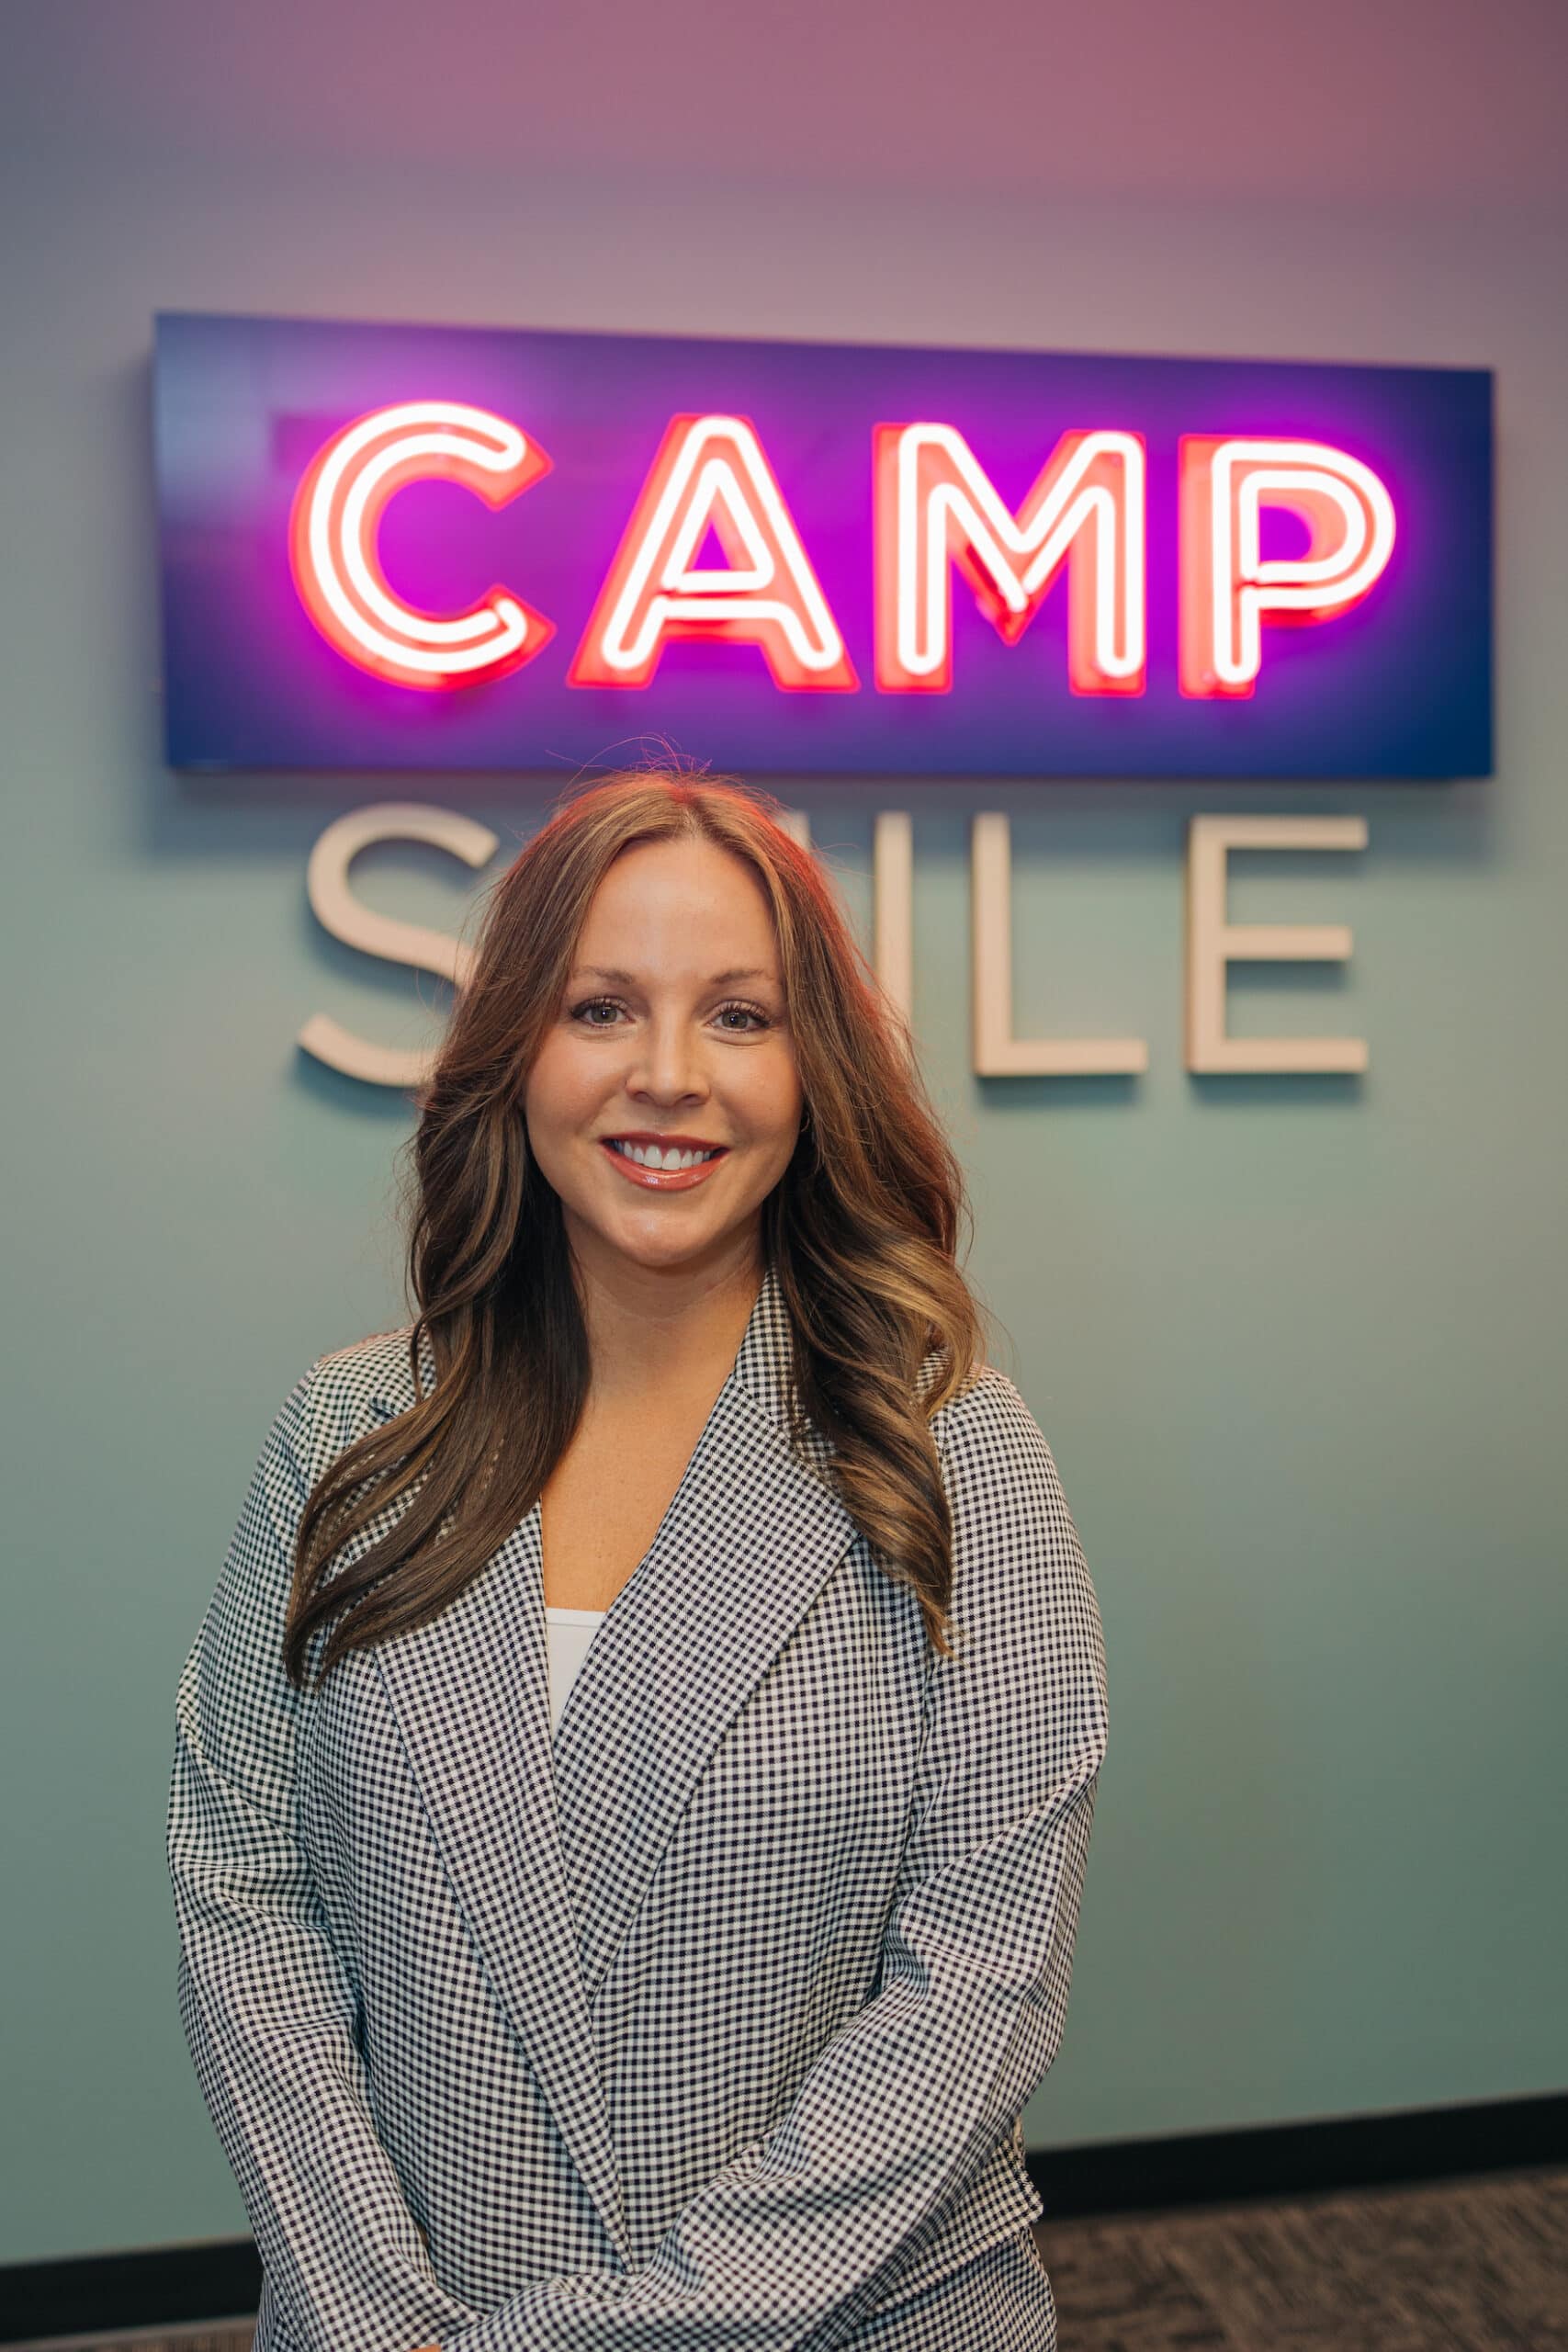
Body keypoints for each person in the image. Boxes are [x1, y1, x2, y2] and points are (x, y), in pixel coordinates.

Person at [166, 767, 1110, 2352]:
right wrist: (367, 2318)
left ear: (818, 1070)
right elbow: (243, 1887)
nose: (670, 1077)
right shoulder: (350, 1430)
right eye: (603, 1008)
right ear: (515, 1050)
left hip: (851, 2318)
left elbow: (980, 1987)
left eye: (740, 1018)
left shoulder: (953, 1452)